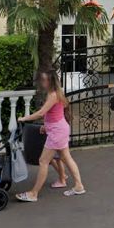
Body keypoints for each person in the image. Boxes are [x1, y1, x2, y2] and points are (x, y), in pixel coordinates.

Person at [15, 72, 86, 201]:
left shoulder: (53, 95)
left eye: (44, 80)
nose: (42, 82)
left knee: (43, 161)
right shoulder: (55, 93)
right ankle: (78, 186)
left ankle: (33, 193)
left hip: (57, 132)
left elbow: (42, 112)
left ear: (50, 81)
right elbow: (54, 113)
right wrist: (46, 126)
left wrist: (24, 118)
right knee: (66, 158)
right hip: (59, 129)